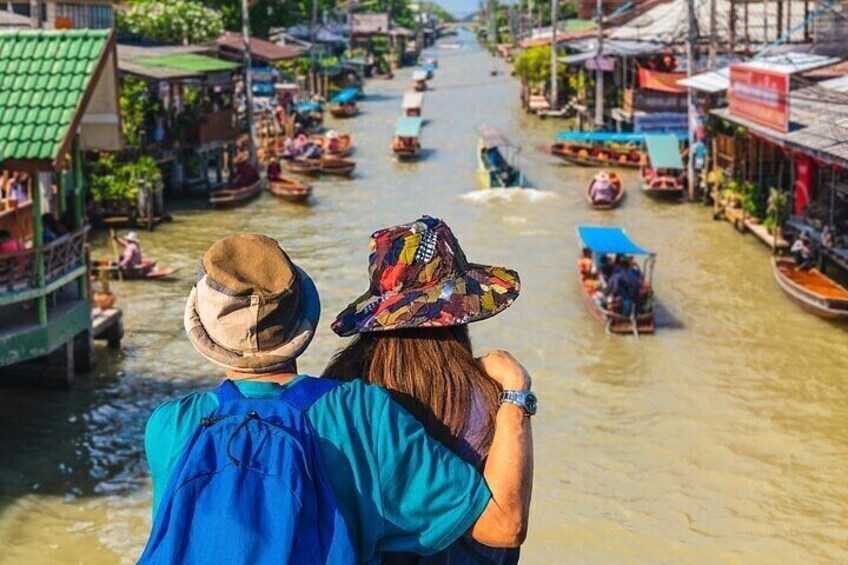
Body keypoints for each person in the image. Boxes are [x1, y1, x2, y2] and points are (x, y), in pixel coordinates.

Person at [140, 234, 534, 564]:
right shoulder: (363, 413)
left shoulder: (168, 426)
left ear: (203, 331)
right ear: (302, 318)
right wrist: (516, 394)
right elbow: (504, 525)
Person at [325, 216, 530, 565]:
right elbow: (508, 525)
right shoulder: (486, 394)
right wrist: (517, 393)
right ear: (460, 311)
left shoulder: (341, 386)